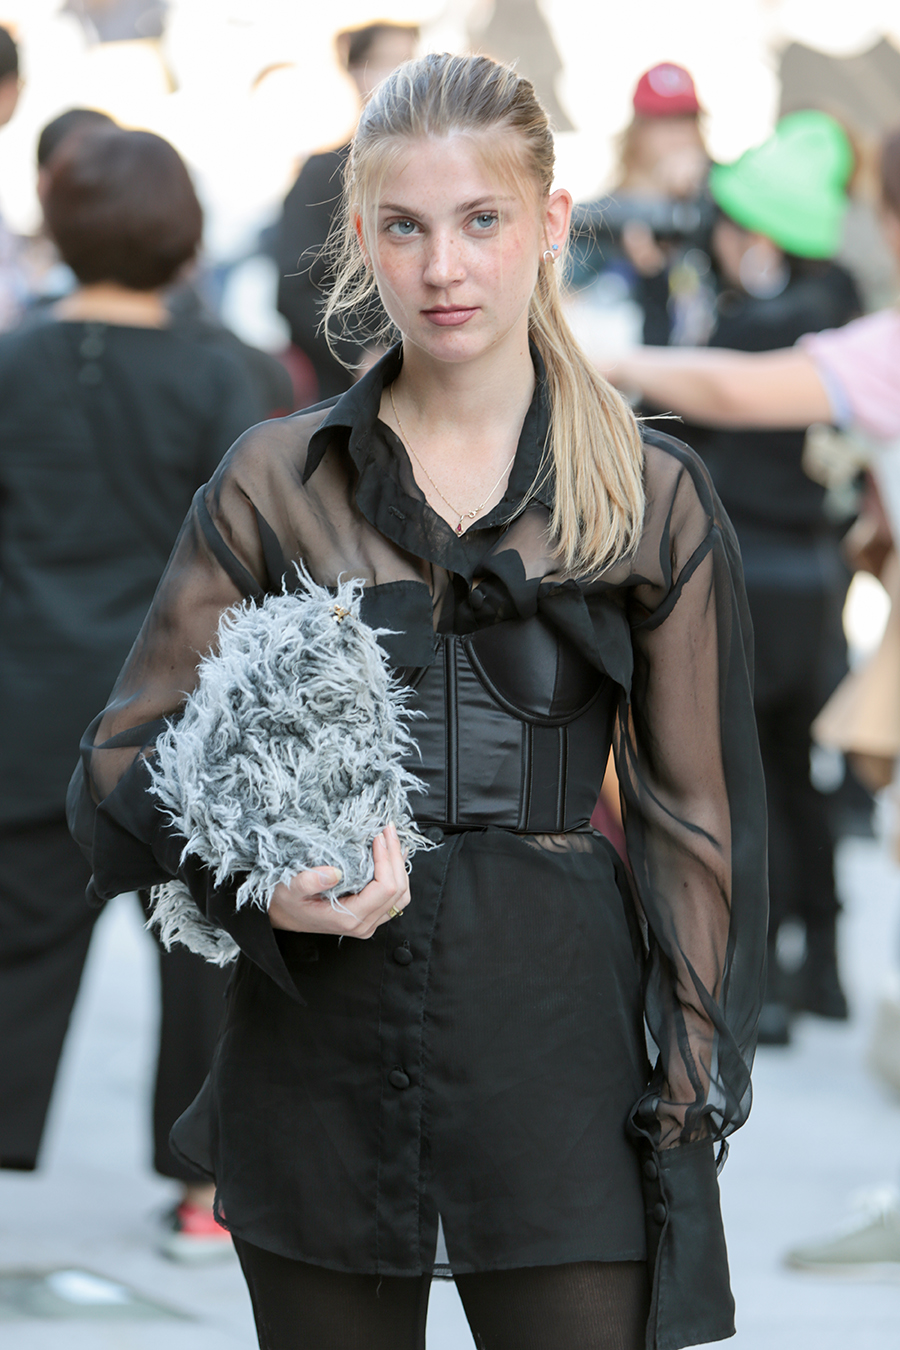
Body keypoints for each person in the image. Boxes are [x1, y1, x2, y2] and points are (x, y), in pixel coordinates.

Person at [69, 53, 768, 1350]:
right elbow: (122, 764)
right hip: (317, 1052)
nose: (445, 266)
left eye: (481, 220)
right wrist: (260, 888)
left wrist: (682, 1094)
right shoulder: (278, 478)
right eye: (406, 226)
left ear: (549, 222)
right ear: (362, 236)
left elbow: (697, 825)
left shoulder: (648, 492)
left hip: (560, 1056)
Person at [0, 125, 265, 1260]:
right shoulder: (222, 374)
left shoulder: (13, 360)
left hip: (26, 705)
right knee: (205, 959)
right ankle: (205, 1190)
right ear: (181, 234)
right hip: (178, 720)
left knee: (13, 952)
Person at [608, 111, 861, 1047]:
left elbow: (666, 411)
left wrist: (654, 294)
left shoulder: (750, 331)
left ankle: (757, 986)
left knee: (738, 785)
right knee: (800, 775)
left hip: (747, 578)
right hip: (819, 580)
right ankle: (823, 968)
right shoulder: (844, 309)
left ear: (759, 233)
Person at [275, 20, 419, 403]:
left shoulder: (440, 170)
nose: (400, 75)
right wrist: (360, 354)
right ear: (356, 70)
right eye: (388, 61)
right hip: (352, 392)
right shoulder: (322, 177)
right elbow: (295, 290)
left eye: (410, 61)